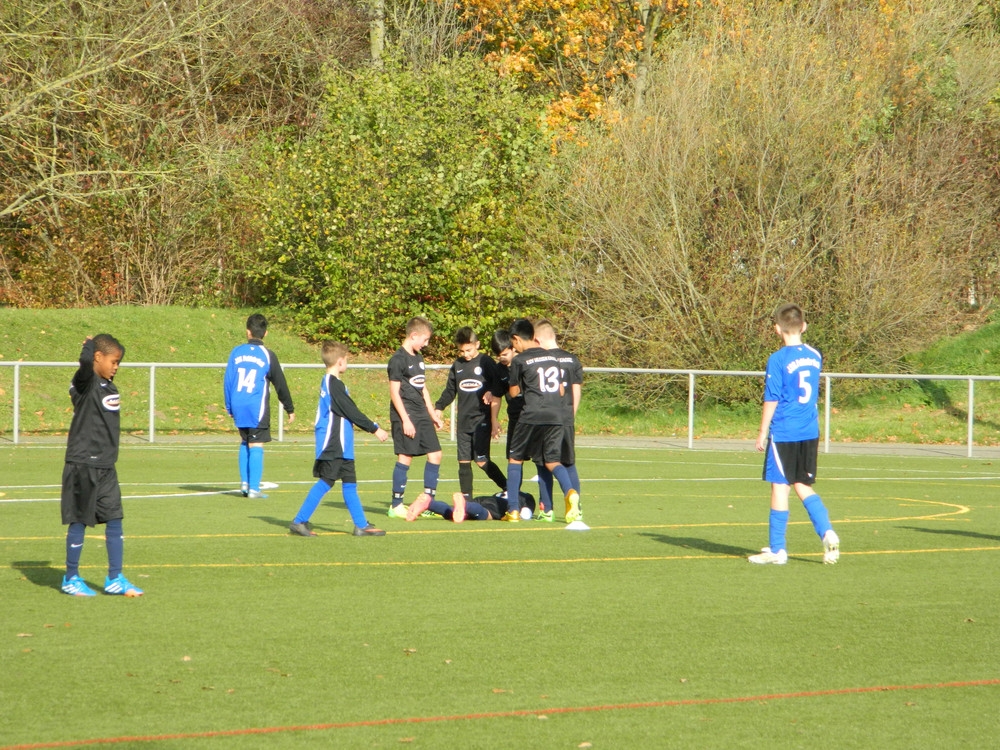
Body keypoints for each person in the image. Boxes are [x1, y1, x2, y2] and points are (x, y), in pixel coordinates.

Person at [749, 303, 840, 565]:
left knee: (780, 486)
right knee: (802, 484)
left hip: (785, 431)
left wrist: (762, 431)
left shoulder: (777, 359)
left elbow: (772, 397)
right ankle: (826, 531)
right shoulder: (815, 355)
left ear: (777, 329)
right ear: (804, 326)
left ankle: (777, 550)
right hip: (809, 430)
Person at [60, 335, 143, 597]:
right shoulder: (86, 383)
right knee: (79, 521)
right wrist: (88, 346)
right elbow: (85, 365)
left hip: (106, 466)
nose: (116, 366)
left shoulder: (108, 385)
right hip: (83, 463)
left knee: (115, 518)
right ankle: (71, 578)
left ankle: (115, 578)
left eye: (119, 362)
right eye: (113, 361)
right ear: (98, 357)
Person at [289, 342, 390, 537]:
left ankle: (361, 525)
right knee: (326, 482)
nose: (348, 363)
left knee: (350, 483)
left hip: (343, 446)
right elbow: (350, 410)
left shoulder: (332, 383)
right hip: (334, 444)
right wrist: (374, 428)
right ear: (340, 361)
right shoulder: (333, 384)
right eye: (347, 359)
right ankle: (299, 521)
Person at [501, 318, 579, 523]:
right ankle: (570, 491)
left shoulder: (519, 360)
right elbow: (561, 390)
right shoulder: (552, 357)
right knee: (552, 460)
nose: (514, 348)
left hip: (532, 414)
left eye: (513, 343)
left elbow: (514, 392)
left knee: (515, 459)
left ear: (517, 339)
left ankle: (513, 510)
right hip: (556, 415)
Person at [223, 313, 295, 499]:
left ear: (248, 332)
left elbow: (228, 380)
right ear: (265, 333)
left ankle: (245, 484)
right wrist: (289, 408)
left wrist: (229, 406)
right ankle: (254, 488)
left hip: (238, 404)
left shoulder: (236, 352)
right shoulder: (267, 355)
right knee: (256, 443)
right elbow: (280, 383)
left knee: (245, 440)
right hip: (256, 407)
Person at [433, 327, 507, 506]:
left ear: (477, 345)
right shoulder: (457, 365)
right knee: (463, 461)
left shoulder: (486, 362)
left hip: (481, 420)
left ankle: (509, 488)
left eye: (469, 350)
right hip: (463, 422)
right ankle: (467, 502)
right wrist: (439, 407)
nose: (465, 354)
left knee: (481, 460)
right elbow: (450, 390)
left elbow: (499, 384)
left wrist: (491, 391)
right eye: (462, 351)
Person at [386, 316, 445, 518]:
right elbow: (394, 393)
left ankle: (428, 503)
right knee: (406, 457)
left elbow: (423, 388)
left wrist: (432, 414)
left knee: (436, 454)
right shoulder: (397, 360)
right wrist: (405, 420)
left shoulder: (418, 358)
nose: (426, 344)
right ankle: (396, 505)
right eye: (425, 340)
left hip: (421, 414)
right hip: (406, 414)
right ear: (413, 335)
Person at [532, 319, 584, 523]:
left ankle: (547, 510)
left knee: (542, 463)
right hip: (566, 419)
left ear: (537, 340)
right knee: (568, 462)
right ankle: (576, 509)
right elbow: (576, 391)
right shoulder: (572, 359)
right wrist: (570, 417)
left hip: (545, 418)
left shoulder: (540, 361)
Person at [489, 328, 523, 461]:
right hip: (515, 418)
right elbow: (496, 396)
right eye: (498, 355)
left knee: (542, 459)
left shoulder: (525, 362)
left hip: (533, 417)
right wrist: (494, 420)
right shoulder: (499, 369)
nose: (501, 358)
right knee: (513, 459)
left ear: (513, 348)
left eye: (504, 354)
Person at [407, 490, 536, 523]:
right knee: (484, 515)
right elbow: (525, 514)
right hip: (501, 505)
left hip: (486, 498)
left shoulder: (506, 491)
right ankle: (465, 504)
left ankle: (430, 503)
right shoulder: (527, 497)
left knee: (457, 514)